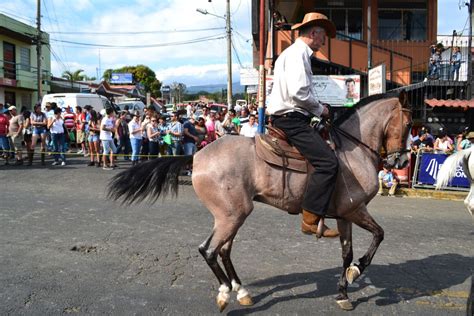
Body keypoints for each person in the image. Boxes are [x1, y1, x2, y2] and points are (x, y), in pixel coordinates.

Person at [267, 12, 339, 238]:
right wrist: (321, 109)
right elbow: (299, 93)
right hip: (292, 120)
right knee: (329, 164)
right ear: (314, 33)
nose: (324, 42)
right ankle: (310, 220)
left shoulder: (293, 54)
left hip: (290, 117)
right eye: (323, 36)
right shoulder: (298, 54)